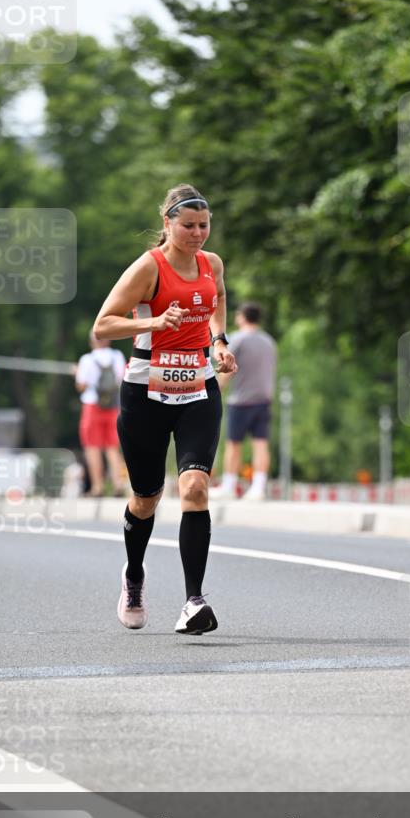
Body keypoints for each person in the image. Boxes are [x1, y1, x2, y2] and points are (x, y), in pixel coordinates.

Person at [92, 183, 237, 634]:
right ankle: (134, 576)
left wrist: (219, 342)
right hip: (146, 393)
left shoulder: (211, 264)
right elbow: (103, 325)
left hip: (198, 387)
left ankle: (194, 601)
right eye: (188, 225)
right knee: (146, 499)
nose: (197, 234)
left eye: (204, 226)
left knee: (194, 486)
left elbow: (218, 300)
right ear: (167, 224)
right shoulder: (148, 268)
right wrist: (155, 320)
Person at [214, 302, 277, 500]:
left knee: (233, 445)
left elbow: (227, 367)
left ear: (242, 317)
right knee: (261, 444)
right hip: (263, 398)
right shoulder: (269, 342)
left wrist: (218, 387)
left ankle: (229, 485)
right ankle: (258, 487)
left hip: (240, 400)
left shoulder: (237, 339)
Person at [75, 332, 127, 496]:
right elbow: (122, 379)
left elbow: (81, 386)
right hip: (113, 406)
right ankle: (118, 484)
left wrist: (76, 373)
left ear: (92, 341)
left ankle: (98, 487)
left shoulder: (87, 359)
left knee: (92, 447)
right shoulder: (117, 356)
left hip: (92, 405)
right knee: (112, 447)